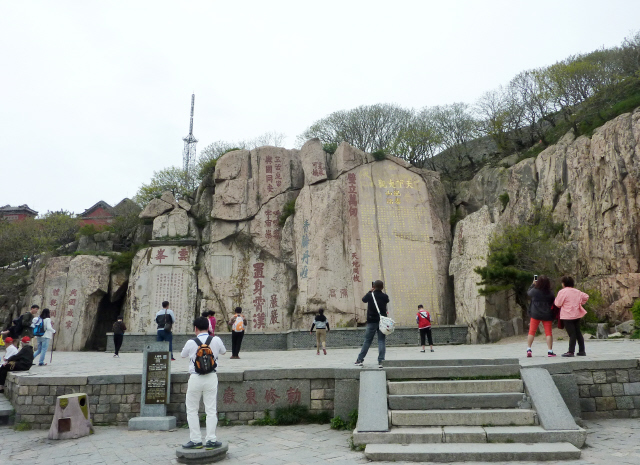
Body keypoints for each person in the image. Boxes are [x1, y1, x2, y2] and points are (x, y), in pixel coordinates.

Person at [180, 316, 226, 450]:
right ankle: (211, 440)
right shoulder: (216, 340)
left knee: (192, 410)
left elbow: (183, 355)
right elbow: (223, 351)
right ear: (209, 327)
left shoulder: (191, 342)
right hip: (211, 377)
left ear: (195, 328)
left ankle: (195, 440)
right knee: (211, 409)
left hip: (195, 378)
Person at [355, 280, 390, 368]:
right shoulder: (385, 296)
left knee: (367, 341)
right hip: (382, 322)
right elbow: (387, 300)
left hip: (371, 321)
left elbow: (363, 300)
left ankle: (360, 359)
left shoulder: (370, 295)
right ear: (382, 287)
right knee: (381, 341)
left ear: (374, 286)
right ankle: (381, 360)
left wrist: (370, 291)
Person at [555, 276, 589, 357]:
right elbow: (586, 296)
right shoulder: (577, 291)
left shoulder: (562, 292)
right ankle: (582, 350)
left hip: (567, 315)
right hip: (577, 314)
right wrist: (580, 303)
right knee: (578, 332)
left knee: (572, 334)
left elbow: (557, 303)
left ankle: (571, 351)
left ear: (564, 284)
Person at [526, 276, 556, 357]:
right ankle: (550, 351)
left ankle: (529, 349)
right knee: (548, 333)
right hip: (547, 314)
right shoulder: (550, 293)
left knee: (531, 331)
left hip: (535, 314)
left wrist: (533, 284)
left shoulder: (534, 291)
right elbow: (553, 301)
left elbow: (528, 292)